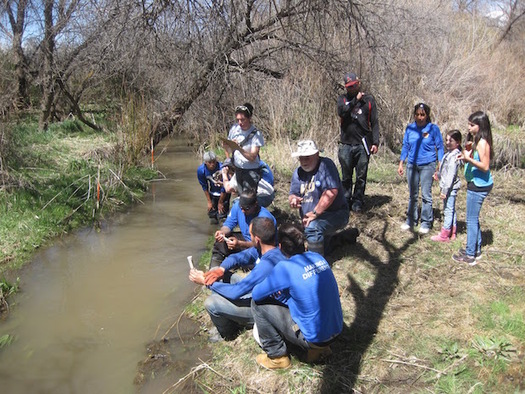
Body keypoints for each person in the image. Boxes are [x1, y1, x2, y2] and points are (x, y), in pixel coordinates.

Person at [251, 223, 343, 370]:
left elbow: (256, 294)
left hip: (315, 339)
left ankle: (277, 357)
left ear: (280, 247)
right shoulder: (317, 258)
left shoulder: (285, 268)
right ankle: (322, 349)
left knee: (256, 305)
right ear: (303, 243)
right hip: (337, 330)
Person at [188, 217, 286, 342]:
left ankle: (228, 332)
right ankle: (229, 313)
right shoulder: (266, 249)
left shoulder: (268, 264)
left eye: (250, 234)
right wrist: (221, 270)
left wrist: (205, 282)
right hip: (257, 294)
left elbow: (236, 292)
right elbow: (237, 257)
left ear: (257, 239)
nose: (249, 237)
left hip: (265, 311)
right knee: (218, 271)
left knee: (211, 303)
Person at [289, 140, 349, 255]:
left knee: (313, 229)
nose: (304, 161)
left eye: (307, 157)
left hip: (335, 214)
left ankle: (316, 267)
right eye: (301, 158)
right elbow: (293, 193)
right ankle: (341, 238)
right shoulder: (297, 173)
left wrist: (315, 213)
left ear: (316, 155)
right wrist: (293, 200)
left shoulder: (326, 165)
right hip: (310, 219)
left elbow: (331, 192)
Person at [452, 111, 494, 265]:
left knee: (470, 220)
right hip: (475, 183)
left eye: (472, 125)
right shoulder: (476, 141)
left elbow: (485, 166)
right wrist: (465, 158)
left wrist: (469, 159)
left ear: (480, 126)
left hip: (479, 185)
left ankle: (470, 255)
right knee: (473, 218)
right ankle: (475, 249)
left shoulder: (483, 142)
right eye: (468, 124)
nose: (469, 127)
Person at [398, 103, 444, 234]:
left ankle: (426, 221)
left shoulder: (433, 129)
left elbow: (440, 147)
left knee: (426, 195)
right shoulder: (410, 128)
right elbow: (406, 146)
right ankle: (411, 220)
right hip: (412, 165)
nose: (420, 117)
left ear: (427, 115)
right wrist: (401, 162)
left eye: (422, 114)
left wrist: (440, 163)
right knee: (413, 194)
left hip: (428, 165)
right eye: (417, 114)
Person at [337, 72, 380, 213]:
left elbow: (374, 122)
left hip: (363, 144)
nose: (352, 88)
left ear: (359, 83)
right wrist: (355, 100)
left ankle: (358, 201)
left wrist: (375, 142)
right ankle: (345, 200)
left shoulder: (368, 100)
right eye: (349, 87)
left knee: (361, 176)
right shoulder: (343, 99)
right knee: (346, 176)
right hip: (346, 144)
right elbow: (342, 112)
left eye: (354, 86)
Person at [209, 189, 276, 269]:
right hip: (246, 240)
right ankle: (214, 268)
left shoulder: (264, 219)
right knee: (221, 242)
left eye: (246, 209)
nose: (243, 211)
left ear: (255, 204)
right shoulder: (237, 206)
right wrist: (222, 232)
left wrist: (240, 244)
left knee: (254, 264)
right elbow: (228, 224)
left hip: (259, 249)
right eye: (241, 208)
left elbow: (261, 244)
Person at [222, 103, 264, 194]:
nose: (240, 122)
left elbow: (253, 157)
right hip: (238, 170)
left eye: (242, 119)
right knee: (241, 197)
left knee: (248, 199)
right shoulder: (234, 129)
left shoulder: (256, 134)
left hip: (251, 171)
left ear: (249, 118)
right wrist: (227, 146)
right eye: (238, 120)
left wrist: (239, 148)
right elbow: (228, 151)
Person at [431, 130, 462, 242]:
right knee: (451, 209)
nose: (448, 142)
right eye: (447, 140)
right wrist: (438, 175)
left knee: (448, 210)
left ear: (458, 142)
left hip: (449, 188)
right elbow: (444, 171)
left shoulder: (454, 157)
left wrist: (444, 190)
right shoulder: (449, 154)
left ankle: (444, 235)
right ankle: (452, 232)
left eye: (451, 140)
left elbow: (450, 176)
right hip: (448, 186)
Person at [197, 151, 230, 224]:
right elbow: (204, 186)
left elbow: (225, 187)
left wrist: (221, 202)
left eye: (214, 162)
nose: (212, 164)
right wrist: (209, 201)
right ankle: (212, 232)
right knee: (212, 215)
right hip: (212, 193)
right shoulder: (201, 170)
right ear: (205, 162)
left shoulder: (222, 168)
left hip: (224, 193)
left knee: (222, 215)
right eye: (209, 162)